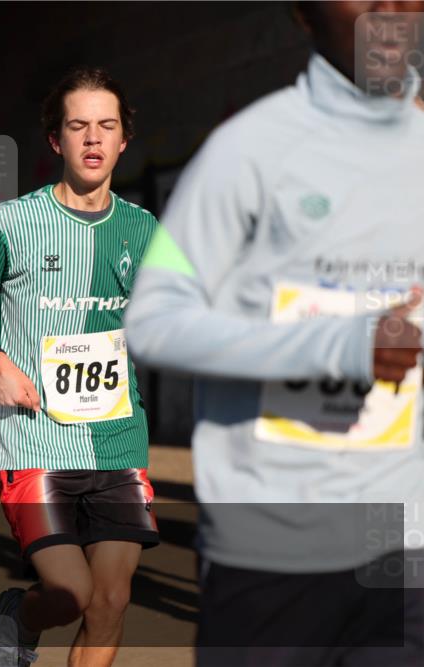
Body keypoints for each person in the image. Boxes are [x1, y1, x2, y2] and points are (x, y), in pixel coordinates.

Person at [125, 3, 424, 665]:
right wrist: (342, 346)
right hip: (273, 552)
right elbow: (152, 318)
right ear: (304, 15)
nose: (390, 9)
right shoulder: (245, 152)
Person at [0, 66, 160, 667]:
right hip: (35, 438)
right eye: (78, 127)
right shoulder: (13, 221)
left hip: (118, 436)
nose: (93, 139)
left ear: (124, 140)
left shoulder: (144, 229)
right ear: (57, 140)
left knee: (112, 599)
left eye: (106, 126)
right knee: (71, 594)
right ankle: (21, 614)